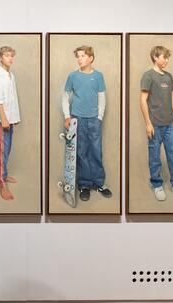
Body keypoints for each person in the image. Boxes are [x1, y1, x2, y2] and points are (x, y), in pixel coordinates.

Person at [61, 45, 112, 202]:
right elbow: (64, 97)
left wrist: (99, 117)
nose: (79, 58)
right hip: (77, 119)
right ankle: (84, 185)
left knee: (96, 151)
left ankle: (99, 183)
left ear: (91, 58)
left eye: (82, 56)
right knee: (81, 152)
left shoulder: (98, 76)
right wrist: (67, 117)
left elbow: (102, 97)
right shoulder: (72, 76)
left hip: (94, 119)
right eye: (77, 56)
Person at [140, 45, 173, 201]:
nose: (167, 60)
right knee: (155, 156)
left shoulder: (169, 76)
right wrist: (148, 123)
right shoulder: (148, 76)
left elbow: (172, 97)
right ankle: (157, 185)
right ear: (155, 57)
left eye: (168, 57)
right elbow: (142, 100)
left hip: (169, 123)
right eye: (164, 57)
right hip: (155, 124)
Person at [0, 46, 21, 200]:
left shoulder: (10, 75)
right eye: (7, 55)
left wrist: (13, 118)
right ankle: (1, 183)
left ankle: (4, 175)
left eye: (11, 56)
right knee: (0, 152)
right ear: (0, 58)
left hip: (10, 120)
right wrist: (4, 119)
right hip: (1, 122)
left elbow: (12, 98)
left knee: (7, 149)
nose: (10, 58)